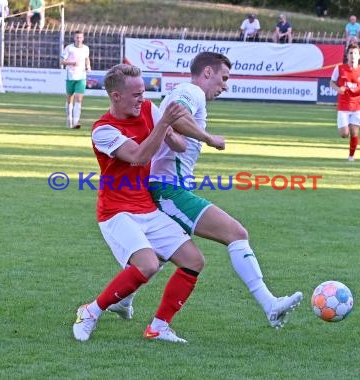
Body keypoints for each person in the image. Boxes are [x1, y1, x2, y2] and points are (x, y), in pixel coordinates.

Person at [108, 52, 303, 329]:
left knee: (161, 255)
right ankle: (270, 304)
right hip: (168, 189)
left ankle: (122, 299)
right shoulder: (192, 91)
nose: (225, 86)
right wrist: (208, 137)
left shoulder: (193, 94)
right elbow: (173, 114)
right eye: (223, 78)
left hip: (168, 187)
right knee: (236, 233)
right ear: (207, 73)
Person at [73, 64, 206, 344]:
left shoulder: (147, 109)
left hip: (145, 206)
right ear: (115, 96)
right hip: (115, 211)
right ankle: (91, 311)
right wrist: (163, 125)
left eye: (143, 93)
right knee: (147, 264)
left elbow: (179, 145)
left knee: (193, 261)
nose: (141, 100)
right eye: (135, 95)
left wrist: (176, 130)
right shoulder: (103, 130)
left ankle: (158, 326)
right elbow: (138, 156)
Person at [330, 43, 360, 161]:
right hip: (343, 105)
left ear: (359, 56)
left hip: (358, 106)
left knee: (354, 133)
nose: (353, 55)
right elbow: (332, 82)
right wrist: (339, 89)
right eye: (350, 53)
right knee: (344, 134)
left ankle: (351, 156)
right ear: (347, 55)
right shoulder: (339, 68)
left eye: (355, 53)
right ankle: (346, 128)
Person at [60, 31, 90, 129]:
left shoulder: (86, 48)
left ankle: (76, 121)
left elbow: (87, 58)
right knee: (70, 98)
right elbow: (62, 61)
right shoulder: (69, 48)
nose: (78, 39)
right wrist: (72, 63)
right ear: (74, 38)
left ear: (83, 38)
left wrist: (88, 66)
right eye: (77, 37)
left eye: (80, 37)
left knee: (79, 98)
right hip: (71, 76)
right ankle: (69, 119)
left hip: (81, 76)